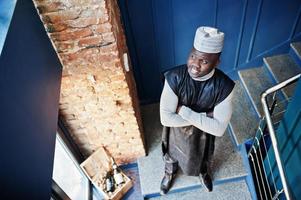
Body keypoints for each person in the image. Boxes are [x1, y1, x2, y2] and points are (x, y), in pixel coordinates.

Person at [159, 26, 235, 195]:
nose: (195, 65)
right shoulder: (174, 76)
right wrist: (205, 116)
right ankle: (169, 174)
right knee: (171, 154)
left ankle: (204, 173)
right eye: (193, 56)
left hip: (202, 135)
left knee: (203, 156)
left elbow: (219, 129)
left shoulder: (225, 87)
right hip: (176, 131)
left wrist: (184, 112)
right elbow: (166, 118)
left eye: (204, 61)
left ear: (217, 62)